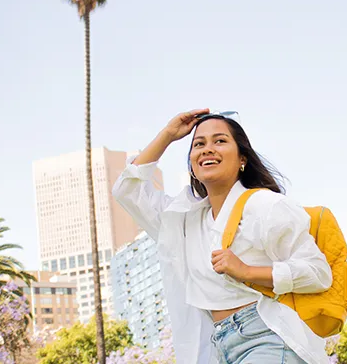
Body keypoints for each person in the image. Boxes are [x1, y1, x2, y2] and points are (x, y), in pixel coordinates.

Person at [112, 109, 332, 364]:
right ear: (192, 166)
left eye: (220, 141)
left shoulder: (265, 206)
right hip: (219, 348)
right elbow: (126, 190)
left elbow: (318, 272)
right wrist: (168, 135)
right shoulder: (183, 221)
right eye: (199, 144)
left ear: (243, 159)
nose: (207, 149)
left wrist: (247, 271)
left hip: (271, 337)